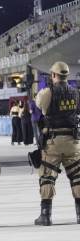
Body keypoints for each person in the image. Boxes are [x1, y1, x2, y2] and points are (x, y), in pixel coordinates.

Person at [35, 61, 80, 226]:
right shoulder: (76, 93)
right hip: (73, 141)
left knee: (47, 176)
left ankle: (45, 216)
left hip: (53, 142)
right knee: (77, 177)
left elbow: (39, 105)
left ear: (53, 75)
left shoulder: (47, 92)